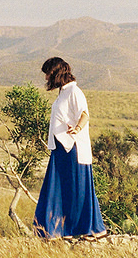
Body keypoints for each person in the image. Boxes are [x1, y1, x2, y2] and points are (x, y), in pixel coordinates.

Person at [33, 57, 107, 239]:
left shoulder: (74, 91)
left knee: (77, 188)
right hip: (60, 149)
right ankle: (61, 230)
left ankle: (91, 229)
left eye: (48, 73)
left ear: (56, 73)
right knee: (61, 188)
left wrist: (78, 128)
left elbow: (84, 114)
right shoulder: (63, 92)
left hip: (72, 147)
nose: (46, 78)